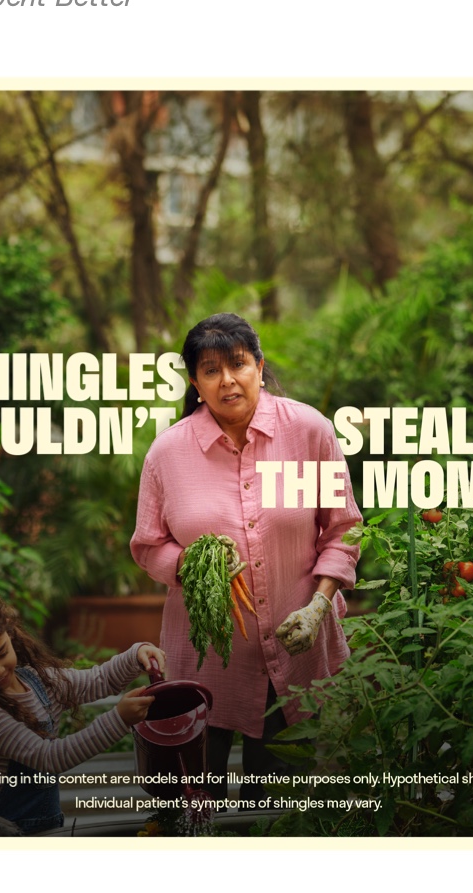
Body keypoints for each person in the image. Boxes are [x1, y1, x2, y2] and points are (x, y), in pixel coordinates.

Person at [130, 312, 362, 803]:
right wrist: (193, 565)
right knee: (188, 803)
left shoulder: (309, 432)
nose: (227, 380)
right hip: (204, 659)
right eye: (210, 369)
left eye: (238, 364)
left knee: (279, 809)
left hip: (295, 653)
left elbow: (343, 529)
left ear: (259, 365)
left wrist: (318, 606)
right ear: (195, 382)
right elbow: (149, 545)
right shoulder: (167, 454)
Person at [0, 591, 166, 834]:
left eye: (2, 653)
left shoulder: (37, 681)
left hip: (42, 829)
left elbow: (99, 680)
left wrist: (136, 655)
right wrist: (118, 720)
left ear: (11, 635)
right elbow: (49, 758)